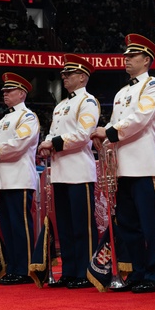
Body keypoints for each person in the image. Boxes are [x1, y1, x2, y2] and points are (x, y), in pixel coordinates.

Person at [89, 34, 155, 294]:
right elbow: (115, 122)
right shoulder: (122, 92)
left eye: (132, 56)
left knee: (149, 223)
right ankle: (138, 271)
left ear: (146, 60)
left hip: (144, 165)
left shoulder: (153, 85)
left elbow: (140, 118)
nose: (127, 59)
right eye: (126, 56)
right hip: (122, 166)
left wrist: (108, 133)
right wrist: (105, 140)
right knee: (129, 224)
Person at [37, 54, 100, 289]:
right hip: (61, 170)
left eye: (69, 73)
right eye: (63, 73)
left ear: (82, 77)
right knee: (64, 225)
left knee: (82, 225)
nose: (64, 76)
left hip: (79, 171)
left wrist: (52, 143)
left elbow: (84, 134)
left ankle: (87, 271)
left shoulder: (88, 102)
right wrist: (47, 144)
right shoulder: (61, 105)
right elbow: (52, 133)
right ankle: (70, 271)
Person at [0, 73, 40, 285]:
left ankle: (23, 269)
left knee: (20, 225)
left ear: (22, 94)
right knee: (7, 225)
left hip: (20, 177)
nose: (5, 94)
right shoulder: (5, 118)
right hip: (3, 178)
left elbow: (19, 143)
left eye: (9, 91)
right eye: (4, 91)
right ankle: (13, 267)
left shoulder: (28, 117)